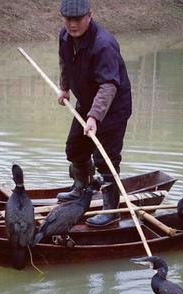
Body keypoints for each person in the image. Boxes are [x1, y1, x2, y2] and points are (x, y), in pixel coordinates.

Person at [56, 0, 132, 227]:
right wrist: (65, 87)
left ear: (89, 16)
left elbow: (109, 85)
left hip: (112, 109)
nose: (72, 24)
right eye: (68, 19)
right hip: (87, 101)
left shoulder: (104, 44)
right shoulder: (65, 36)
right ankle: (81, 189)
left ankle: (111, 211)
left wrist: (94, 117)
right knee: (75, 148)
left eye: (77, 19)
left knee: (105, 159)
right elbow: (65, 62)